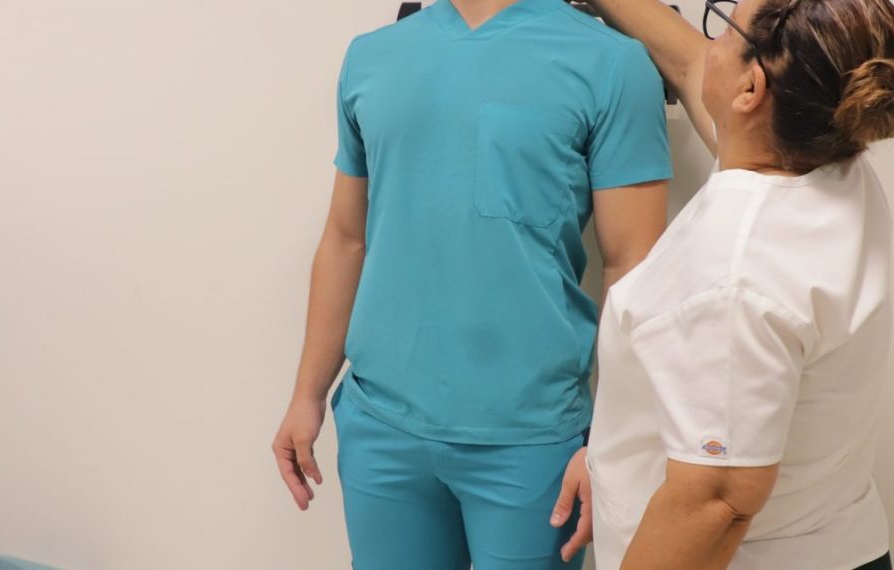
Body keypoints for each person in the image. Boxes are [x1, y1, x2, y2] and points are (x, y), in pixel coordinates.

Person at [271, 0, 675, 568]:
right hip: (381, 429)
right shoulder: (372, 57)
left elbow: (634, 267)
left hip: (531, 441)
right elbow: (345, 239)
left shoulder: (612, 64)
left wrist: (612, 438)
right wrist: (307, 394)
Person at [579, 0, 894, 568]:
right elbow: (689, 62)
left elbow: (715, 504)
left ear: (751, 90)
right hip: (839, 541)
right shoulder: (828, 165)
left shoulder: (734, 271)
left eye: (723, 26)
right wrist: (611, 457)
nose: (709, 43)